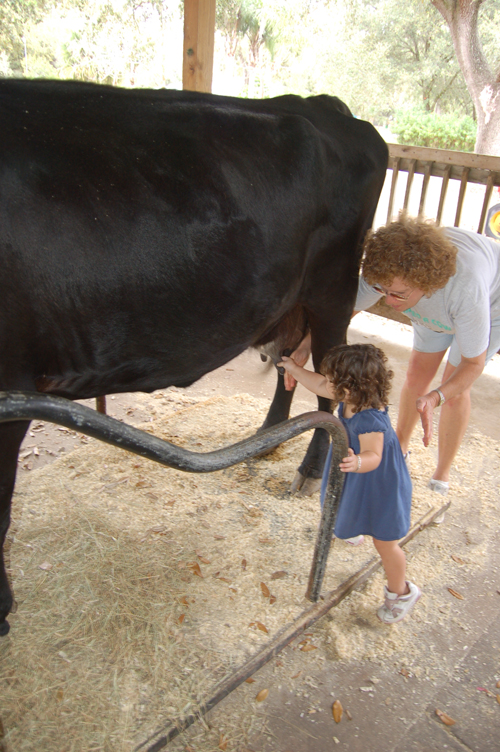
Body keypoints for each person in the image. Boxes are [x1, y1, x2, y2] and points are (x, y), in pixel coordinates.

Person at [286, 214, 500, 502]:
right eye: (381, 290)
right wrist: (304, 345)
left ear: (425, 281)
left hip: (490, 307)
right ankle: (400, 445)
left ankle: (442, 472)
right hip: (430, 308)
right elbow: (340, 316)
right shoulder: (388, 275)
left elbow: (472, 365)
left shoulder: (465, 289)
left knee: (455, 390)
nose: (387, 301)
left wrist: (436, 397)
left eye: (396, 294)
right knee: (415, 375)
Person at [278, 343, 421, 625]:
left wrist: (357, 463)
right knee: (346, 501)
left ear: (350, 385)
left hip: (379, 481)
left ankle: (402, 591)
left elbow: (374, 456)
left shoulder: (369, 417)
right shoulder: (351, 396)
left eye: (333, 379)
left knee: (385, 542)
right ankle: (353, 527)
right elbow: (319, 384)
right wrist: (294, 369)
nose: (326, 383)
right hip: (354, 468)